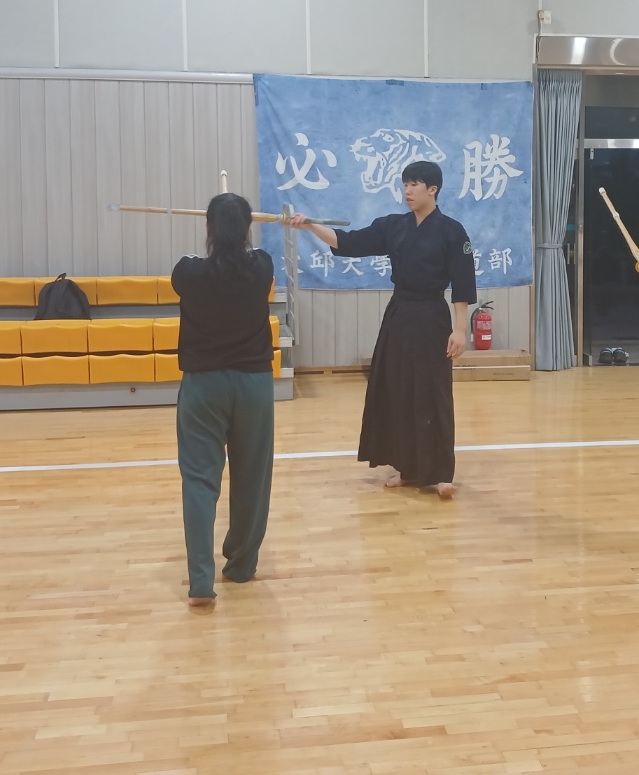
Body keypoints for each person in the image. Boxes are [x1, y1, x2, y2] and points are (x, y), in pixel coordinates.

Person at [288, 160, 475, 499]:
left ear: (433, 189)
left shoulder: (452, 231)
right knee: (397, 388)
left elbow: (463, 283)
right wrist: (311, 225)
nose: (407, 190)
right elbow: (348, 242)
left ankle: (440, 473)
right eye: (405, 184)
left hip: (432, 317)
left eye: (415, 184)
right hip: (399, 314)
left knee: (433, 392)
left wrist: (460, 330)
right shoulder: (393, 226)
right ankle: (405, 468)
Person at [171, 192, 276, 608]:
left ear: (208, 228)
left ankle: (201, 582)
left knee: (199, 480)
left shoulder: (188, 272)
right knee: (252, 476)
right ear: (248, 228)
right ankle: (241, 565)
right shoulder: (263, 266)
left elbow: (193, 266)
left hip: (203, 386)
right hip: (253, 385)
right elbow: (246, 258)